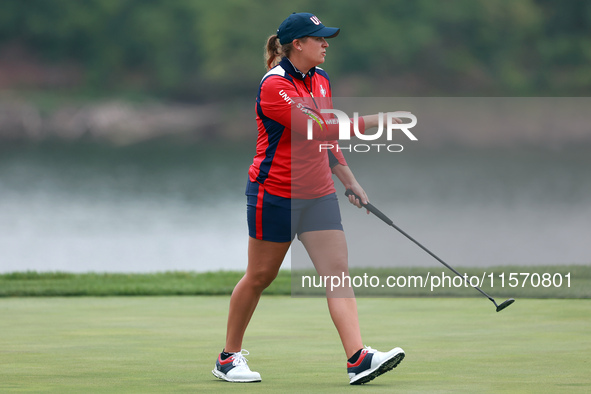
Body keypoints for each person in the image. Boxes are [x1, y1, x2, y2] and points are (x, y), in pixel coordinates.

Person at [212, 12, 405, 385]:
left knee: (337, 274)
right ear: (297, 44)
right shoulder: (275, 85)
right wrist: (375, 120)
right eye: (318, 38)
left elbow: (325, 140)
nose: (326, 43)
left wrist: (349, 179)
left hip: (317, 195)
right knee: (260, 277)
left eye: (325, 38)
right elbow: (316, 126)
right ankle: (227, 358)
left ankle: (357, 358)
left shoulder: (320, 80)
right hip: (275, 195)